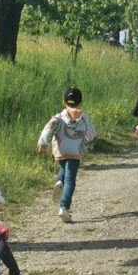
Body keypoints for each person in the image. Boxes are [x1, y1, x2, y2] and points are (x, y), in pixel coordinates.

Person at [39, 87, 97, 223]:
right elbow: (91, 135)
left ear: (64, 102)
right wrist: (86, 140)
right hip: (75, 151)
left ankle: (60, 181)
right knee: (71, 180)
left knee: (64, 167)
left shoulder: (59, 117)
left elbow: (48, 128)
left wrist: (43, 142)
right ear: (80, 102)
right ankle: (64, 207)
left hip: (61, 150)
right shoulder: (84, 117)